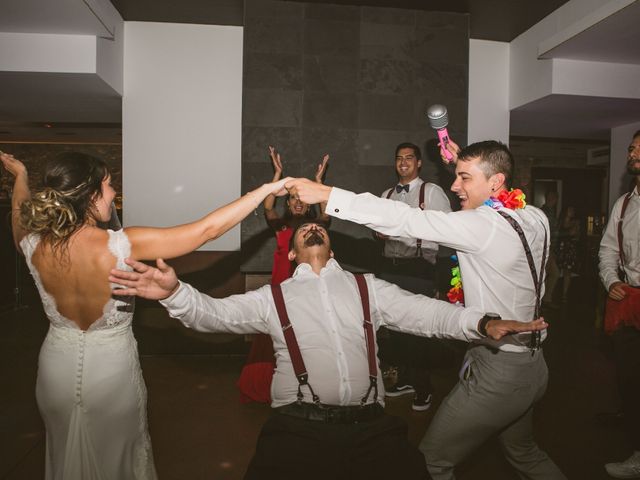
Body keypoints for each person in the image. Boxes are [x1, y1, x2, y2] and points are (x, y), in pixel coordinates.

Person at [109, 221, 548, 480]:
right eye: (302, 232)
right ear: (295, 253)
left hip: (372, 429)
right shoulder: (271, 298)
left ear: (330, 246)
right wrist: (173, 293)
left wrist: (483, 322)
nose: (310, 229)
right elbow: (211, 315)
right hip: (297, 430)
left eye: (317, 227)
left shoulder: (366, 288)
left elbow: (428, 315)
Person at [285, 139, 566, 479]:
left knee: (429, 462)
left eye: (463, 178)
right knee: (525, 453)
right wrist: (469, 165)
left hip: (500, 372)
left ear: (495, 183)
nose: (453, 185)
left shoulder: (480, 226)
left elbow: (404, 220)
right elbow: (498, 184)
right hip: (535, 366)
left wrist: (329, 196)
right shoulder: (535, 217)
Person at [0, 150, 289, 480]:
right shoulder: (122, 245)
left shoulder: (33, 242)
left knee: (64, 450)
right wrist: (265, 190)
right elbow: (206, 230)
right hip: (111, 370)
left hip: (56, 368)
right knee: (119, 458)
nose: (113, 193)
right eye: (108, 185)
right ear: (90, 194)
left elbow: (18, 216)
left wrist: (20, 176)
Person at [236, 146, 329, 403]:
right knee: (275, 338)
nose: (298, 203)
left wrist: (320, 184)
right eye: (293, 199)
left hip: (307, 291)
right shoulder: (282, 225)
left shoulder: (315, 227)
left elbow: (326, 212)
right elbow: (267, 208)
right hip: (281, 288)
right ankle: (267, 385)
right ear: (287, 203)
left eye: (301, 199)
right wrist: (276, 173)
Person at [374, 142, 451, 411]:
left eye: (409, 158)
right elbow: (378, 229)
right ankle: (405, 379)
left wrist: (439, 280)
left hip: (419, 268)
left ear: (418, 163)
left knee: (418, 329)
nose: (403, 162)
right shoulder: (385, 195)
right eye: (399, 158)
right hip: (390, 266)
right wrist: (379, 232)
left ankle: (423, 386)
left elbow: (448, 229)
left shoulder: (431, 192)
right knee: (395, 328)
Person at [599, 129, 640, 479]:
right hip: (629, 301)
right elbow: (608, 249)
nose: (633, 152)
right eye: (631, 147)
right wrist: (611, 279)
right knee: (631, 382)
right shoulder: (624, 204)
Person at [556, 205, 581, 302]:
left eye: (573, 210)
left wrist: (576, 227)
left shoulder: (575, 222)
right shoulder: (560, 222)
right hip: (560, 248)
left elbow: (576, 235)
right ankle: (553, 293)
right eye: (570, 209)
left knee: (567, 272)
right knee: (555, 271)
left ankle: (564, 295)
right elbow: (561, 234)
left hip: (569, 249)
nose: (572, 211)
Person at [541, 190, 560, 308]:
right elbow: (549, 233)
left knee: (549, 274)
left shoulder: (551, 212)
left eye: (555, 198)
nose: (553, 200)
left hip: (549, 248)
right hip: (546, 248)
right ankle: (544, 300)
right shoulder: (544, 212)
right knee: (553, 274)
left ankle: (544, 300)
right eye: (551, 197)